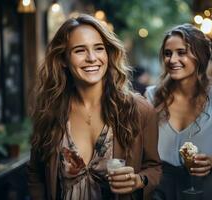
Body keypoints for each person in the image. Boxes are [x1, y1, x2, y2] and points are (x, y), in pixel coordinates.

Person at [27, 14, 161, 200]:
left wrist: (139, 181)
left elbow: (154, 168)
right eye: (80, 50)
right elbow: (36, 174)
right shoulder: (49, 111)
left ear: (108, 53)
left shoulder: (139, 110)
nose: (92, 58)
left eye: (99, 48)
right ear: (63, 59)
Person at [145, 24, 212, 200]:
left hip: (205, 189)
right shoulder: (150, 97)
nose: (172, 59)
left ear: (200, 56)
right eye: (167, 53)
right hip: (160, 190)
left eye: (181, 52)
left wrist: (211, 161)